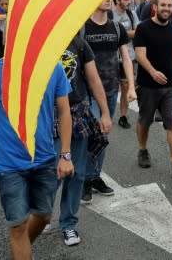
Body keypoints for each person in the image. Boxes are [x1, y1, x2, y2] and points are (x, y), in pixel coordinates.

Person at [0, 58, 74, 260]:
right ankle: (21, 247)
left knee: (44, 216)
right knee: (18, 226)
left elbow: (64, 110)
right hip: (9, 164)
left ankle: (21, 247)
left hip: (44, 159)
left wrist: (66, 155)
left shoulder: (52, 67)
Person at [49, 35, 112, 246]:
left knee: (76, 174)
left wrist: (104, 112)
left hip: (77, 112)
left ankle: (68, 224)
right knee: (51, 173)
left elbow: (93, 78)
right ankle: (42, 214)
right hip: (49, 114)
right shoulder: (41, 40)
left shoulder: (78, 42)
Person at [81, 0, 136, 203]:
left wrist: (131, 86)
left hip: (111, 90)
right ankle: (85, 179)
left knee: (103, 134)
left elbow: (126, 58)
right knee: (94, 133)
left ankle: (94, 177)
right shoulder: (82, 28)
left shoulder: (116, 27)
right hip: (88, 93)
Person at [133, 0, 172, 177]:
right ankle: (142, 149)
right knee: (145, 119)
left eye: (169, 6)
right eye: (162, 5)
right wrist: (153, 72)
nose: (166, 9)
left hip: (170, 85)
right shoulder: (143, 28)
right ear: (155, 7)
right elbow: (140, 55)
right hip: (148, 84)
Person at [112, 0, 139, 130]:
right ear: (117, 0)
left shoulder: (131, 13)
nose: (129, 2)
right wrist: (128, 33)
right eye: (126, 0)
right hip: (111, 58)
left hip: (128, 56)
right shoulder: (110, 15)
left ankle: (123, 116)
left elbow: (137, 32)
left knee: (125, 87)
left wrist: (120, 32)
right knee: (109, 88)